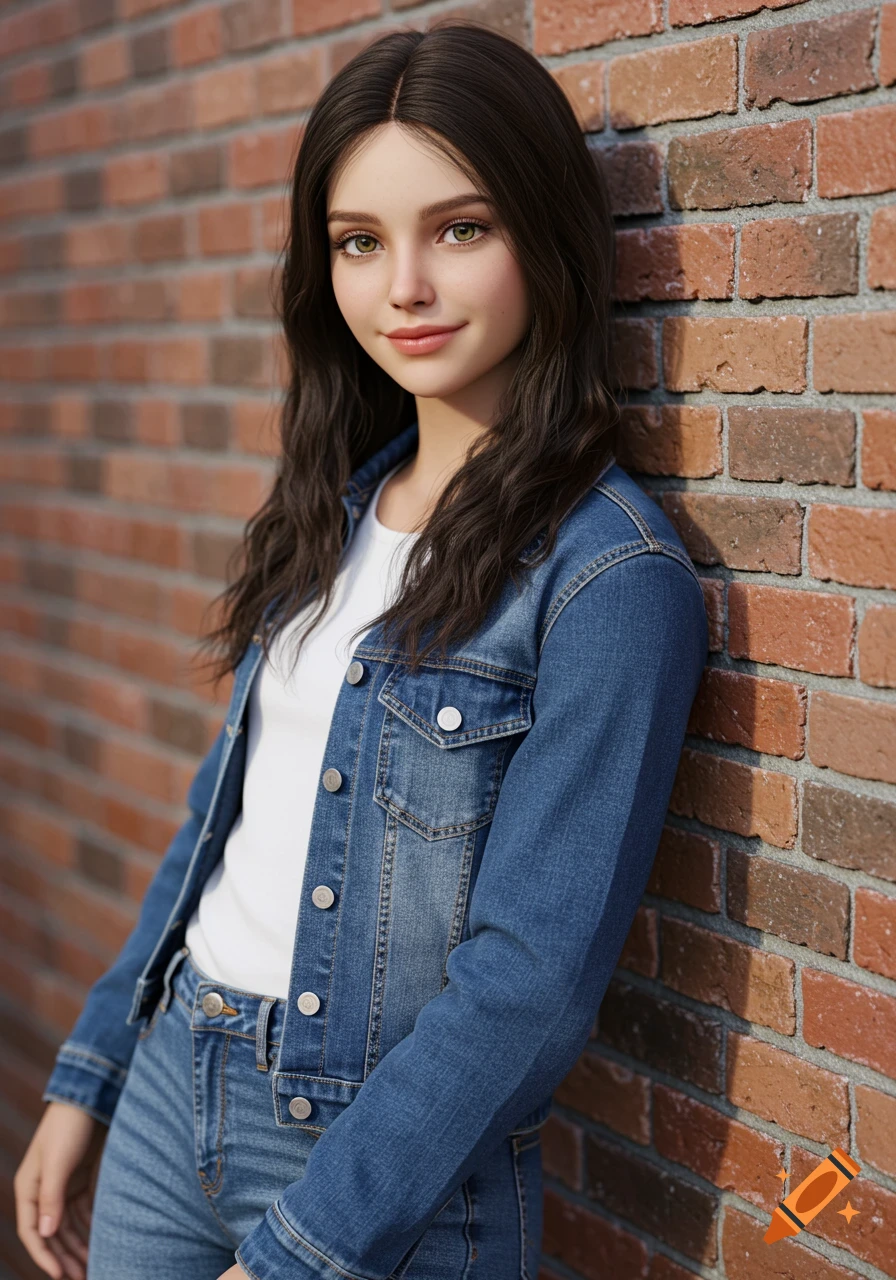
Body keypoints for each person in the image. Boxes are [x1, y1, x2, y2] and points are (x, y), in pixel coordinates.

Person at [15, 20, 708, 1280]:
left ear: (544, 236)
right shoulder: (331, 513)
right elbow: (216, 825)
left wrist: (307, 1245)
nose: (405, 288)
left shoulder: (609, 579)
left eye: (459, 229)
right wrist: (97, 1068)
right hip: (177, 1090)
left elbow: (528, 987)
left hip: (371, 1161)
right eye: (358, 242)